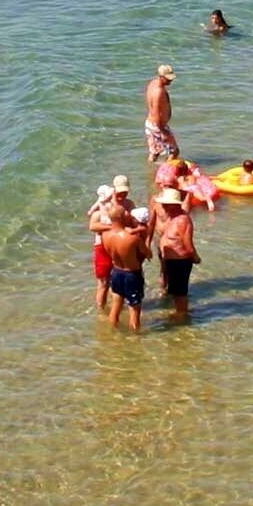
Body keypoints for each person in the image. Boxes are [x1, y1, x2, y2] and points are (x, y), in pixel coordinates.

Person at [98, 207, 151, 333]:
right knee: (135, 309)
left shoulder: (105, 235)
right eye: (126, 212)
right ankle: (135, 338)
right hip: (131, 274)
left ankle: (111, 333)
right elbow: (148, 254)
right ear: (122, 217)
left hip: (116, 272)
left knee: (116, 305)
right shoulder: (132, 238)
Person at [153, 189, 199, 323]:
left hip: (180, 261)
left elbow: (188, 245)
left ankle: (182, 314)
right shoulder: (172, 217)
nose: (163, 207)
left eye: (166, 204)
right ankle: (180, 311)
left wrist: (195, 257)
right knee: (175, 290)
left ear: (175, 204)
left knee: (180, 292)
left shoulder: (182, 220)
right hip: (172, 260)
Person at [144, 65, 179, 163]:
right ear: (161, 76)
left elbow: (150, 104)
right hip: (158, 126)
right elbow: (156, 114)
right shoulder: (158, 92)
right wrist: (163, 132)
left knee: (154, 152)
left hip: (150, 124)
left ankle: (150, 172)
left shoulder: (152, 84)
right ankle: (166, 172)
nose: (170, 81)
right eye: (168, 79)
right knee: (174, 151)